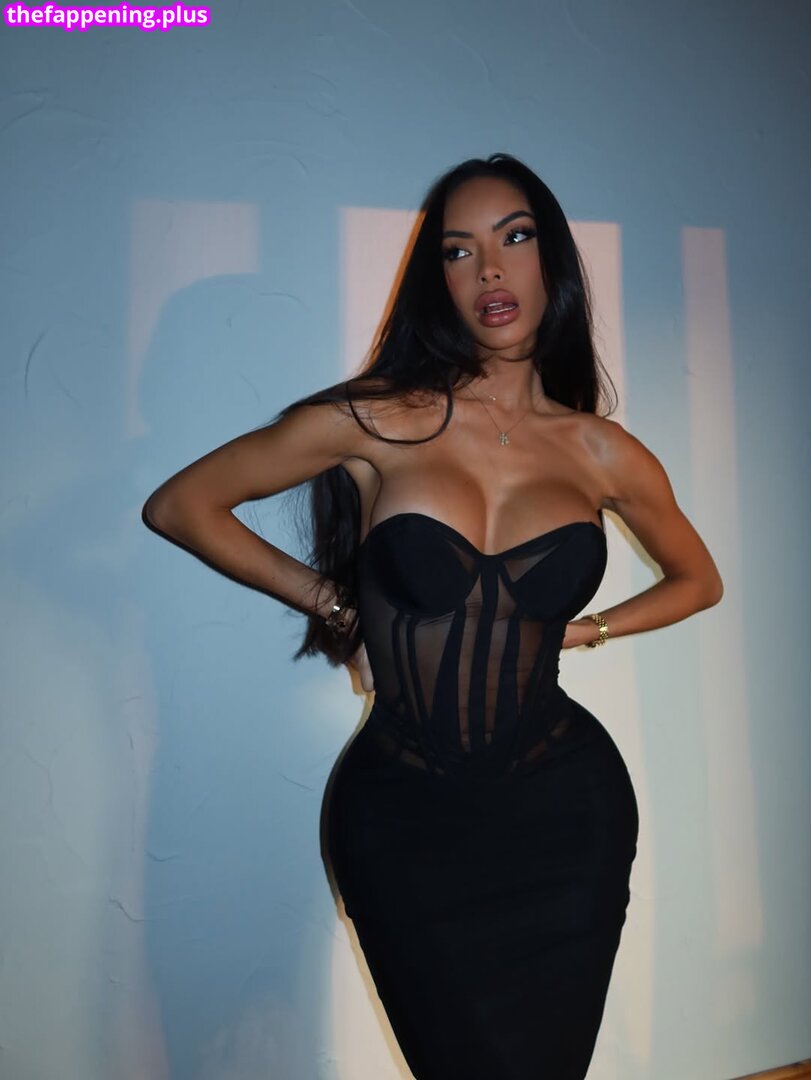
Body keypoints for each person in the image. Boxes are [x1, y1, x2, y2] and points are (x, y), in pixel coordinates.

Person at [143, 152, 723, 1079]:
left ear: (552, 259)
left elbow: (698, 580)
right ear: (437, 280)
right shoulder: (377, 421)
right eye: (458, 250)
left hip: (566, 813)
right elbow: (182, 506)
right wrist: (336, 605)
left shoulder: (602, 452)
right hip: (402, 824)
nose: (489, 268)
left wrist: (588, 628)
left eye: (514, 237)